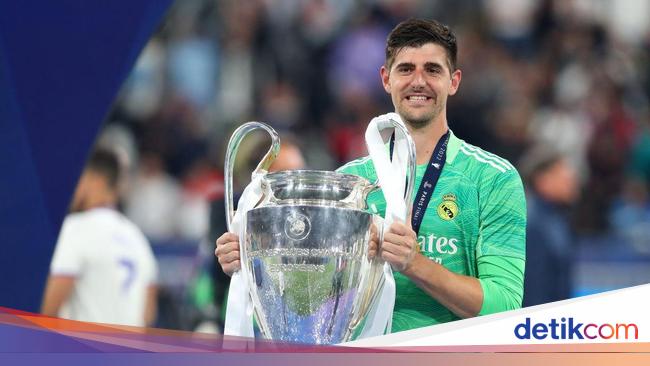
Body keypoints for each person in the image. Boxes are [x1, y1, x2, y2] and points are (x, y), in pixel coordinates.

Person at [216, 18, 526, 333]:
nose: (418, 81)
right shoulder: (347, 184)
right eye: (405, 69)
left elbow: (504, 305)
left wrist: (414, 264)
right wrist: (257, 264)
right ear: (386, 79)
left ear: (454, 81)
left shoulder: (492, 178)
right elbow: (308, 306)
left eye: (432, 70)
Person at [41, 148, 158, 327]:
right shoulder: (138, 238)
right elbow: (149, 313)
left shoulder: (76, 228)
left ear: (95, 179)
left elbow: (48, 309)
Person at [519, 146, 578, 306]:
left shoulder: (556, 218)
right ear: (543, 180)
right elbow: (532, 287)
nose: (571, 179)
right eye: (562, 173)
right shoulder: (532, 224)